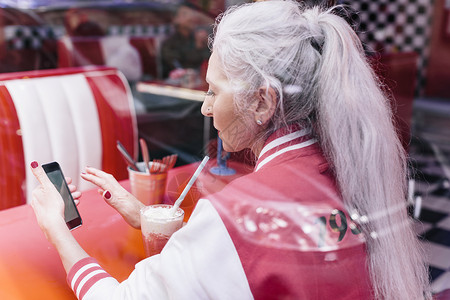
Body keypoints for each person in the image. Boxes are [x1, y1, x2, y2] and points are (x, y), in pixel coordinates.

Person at [30, 1, 431, 299]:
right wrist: (150, 220)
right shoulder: (355, 170)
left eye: (214, 90)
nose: (205, 106)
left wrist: (55, 229)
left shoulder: (238, 213)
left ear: (262, 102)